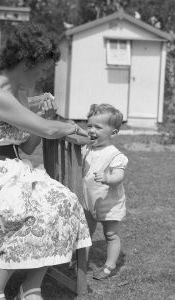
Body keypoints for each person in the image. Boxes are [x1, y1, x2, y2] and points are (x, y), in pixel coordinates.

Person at [0, 22, 92, 300]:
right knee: (25, 207)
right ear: (26, 61)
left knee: (64, 200)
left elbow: (30, 142)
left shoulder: (20, 95)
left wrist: (46, 120)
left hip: (16, 169)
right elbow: (46, 131)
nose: (45, 73)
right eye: (43, 66)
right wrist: (66, 126)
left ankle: (30, 286)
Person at [82, 103, 128, 280]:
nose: (91, 130)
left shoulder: (114, 155)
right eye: (89, 126)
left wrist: (108, 179)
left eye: (98, 127)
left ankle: (109, 266)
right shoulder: (86, 148)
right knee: (85, 234)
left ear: (113, 133)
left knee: (111, 234)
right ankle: (81, 264)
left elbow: (119, 176)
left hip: (109, 203)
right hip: (88, 201)